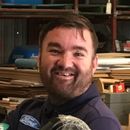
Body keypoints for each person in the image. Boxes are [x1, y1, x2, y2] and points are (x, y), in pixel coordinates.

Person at [2, 14, 121, 130]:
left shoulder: (100, 123)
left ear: (94, 64)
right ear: (39, 59)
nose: (65, 63)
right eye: (55, 51)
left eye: (78, 54)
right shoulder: (26, 110)